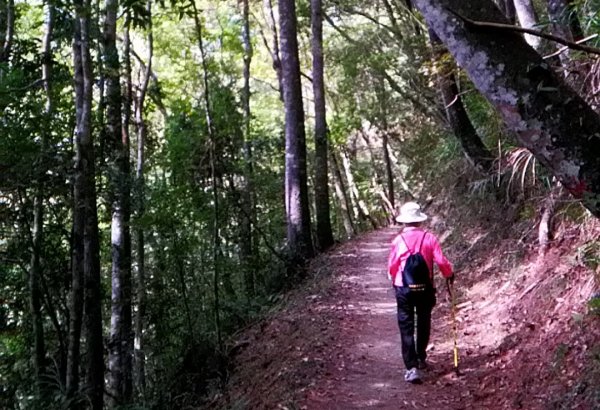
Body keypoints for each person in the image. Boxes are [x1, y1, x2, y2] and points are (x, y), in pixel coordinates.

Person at [387, 202, 454, 384]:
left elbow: (392, 266)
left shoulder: (398, 241)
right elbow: (441, 261)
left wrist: (394, 280)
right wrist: (449, 274)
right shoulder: (429, 238)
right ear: (419, 220)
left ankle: (411, 368)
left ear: (404, 221)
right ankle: (421, 357)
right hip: (425, 288)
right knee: (423, 321)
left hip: (404, 289)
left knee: (406, 326)